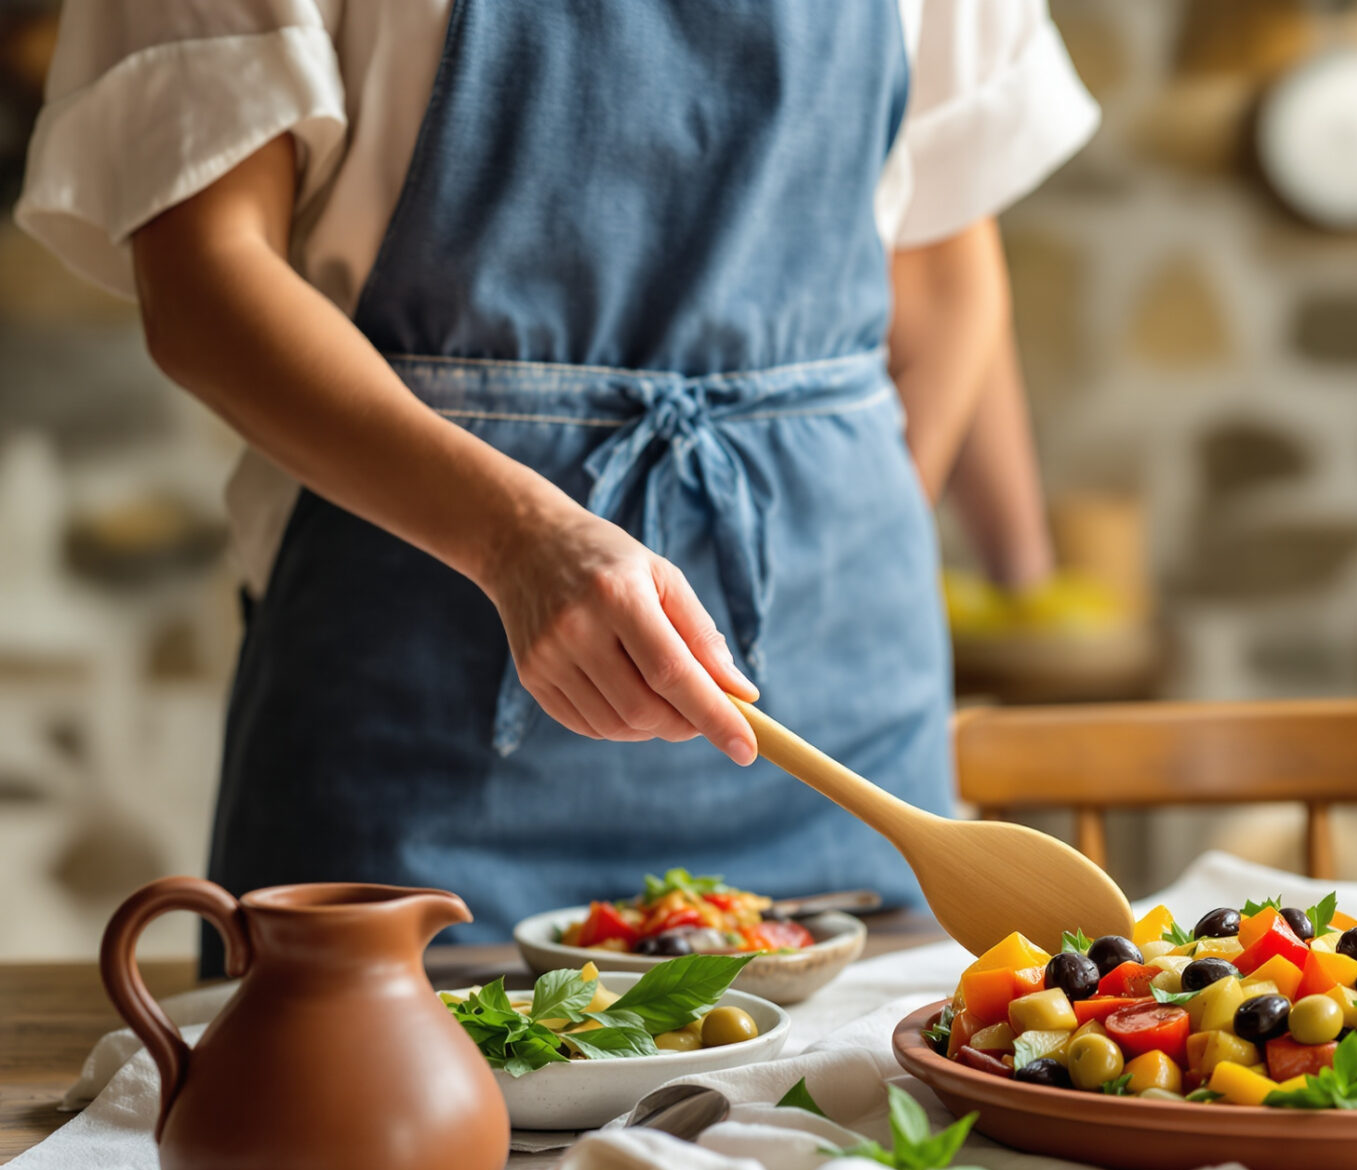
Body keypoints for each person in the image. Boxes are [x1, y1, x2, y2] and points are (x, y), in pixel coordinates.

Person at [16, 0, 1096, 969]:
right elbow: (204, 279)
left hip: (840, 732)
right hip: (412, 720)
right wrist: (515, 540)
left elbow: (943, 271)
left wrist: (838, 561)